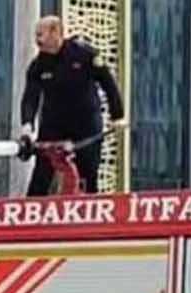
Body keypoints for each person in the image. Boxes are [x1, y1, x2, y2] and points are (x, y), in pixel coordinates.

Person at [20, 15, 125, 196]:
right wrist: (27, 124)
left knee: (88, 175)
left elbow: (108, 82)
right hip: (54, 124)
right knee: (41, 175)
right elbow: (30, 97)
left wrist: (117, 116)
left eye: (40, 35)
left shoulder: (83, 54)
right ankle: (31, 216)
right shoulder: (37, 66)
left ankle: (88, 218)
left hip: (86, 124)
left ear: (55, 33)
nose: (36, 41)